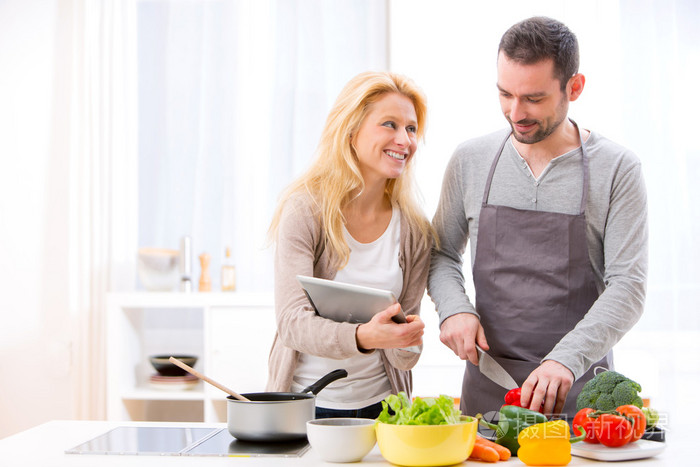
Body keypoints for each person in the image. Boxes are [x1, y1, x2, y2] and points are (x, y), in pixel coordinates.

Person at [428, 16, 648, 419]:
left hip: (581, 396)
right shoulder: (470, 160)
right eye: (505, 94)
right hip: (489, 390)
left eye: (534, 98)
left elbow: (628, 286)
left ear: (574, 88)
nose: (516, 112)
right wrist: (454, 308)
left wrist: (564, 360)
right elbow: (441, 253)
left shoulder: (617, 169)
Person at [266, 71, 435, 419]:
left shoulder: (415, 230)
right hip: (306, 408)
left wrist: (407, 339)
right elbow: (292, 324)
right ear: (351, 132)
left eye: (412, 128)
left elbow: (406, 353)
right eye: (389, 124)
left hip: (384, 409)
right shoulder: (306, 210)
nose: (404, 140)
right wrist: (364, 336)